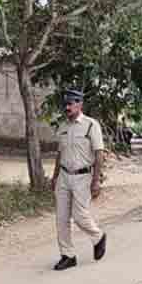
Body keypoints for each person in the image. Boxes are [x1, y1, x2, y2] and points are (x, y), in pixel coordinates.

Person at [49, 89, 106, 270]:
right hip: (64, 176)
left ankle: (98, 237)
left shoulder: (91, 125)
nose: (67, 107)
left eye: (71, 103)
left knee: (80, 215)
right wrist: (55, 176)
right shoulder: (63, 127)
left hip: (83, 177)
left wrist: (96, 180)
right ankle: (68, 255)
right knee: (61, 218)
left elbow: (99, 154)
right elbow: (60, 154)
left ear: (80, 104)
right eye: (65, 104)